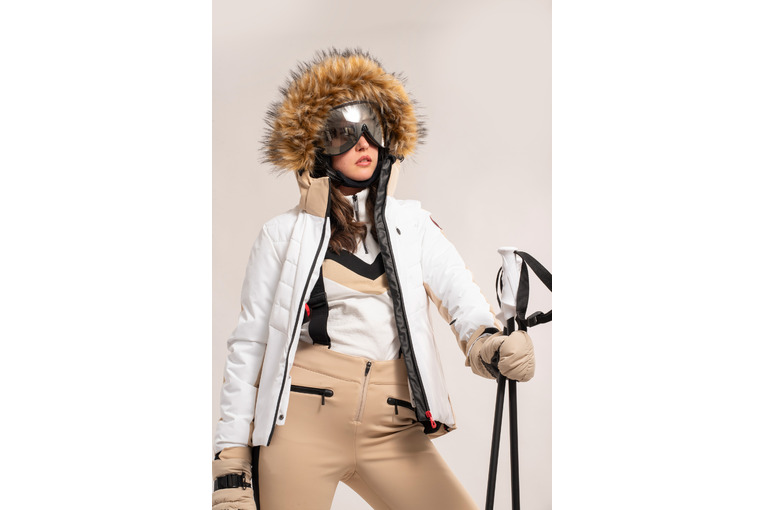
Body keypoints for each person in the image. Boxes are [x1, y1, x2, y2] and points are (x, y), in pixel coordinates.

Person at [212, 48, 536, 510]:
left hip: (394, 423)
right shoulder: (281, 235)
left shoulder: (414, 225)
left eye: (372, 128)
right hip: (300, 426)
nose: (362, 143)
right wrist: (231, 464)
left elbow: (460, 298)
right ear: (314, 146)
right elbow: (249, 347)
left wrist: (489, 343)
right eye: (342, 132)